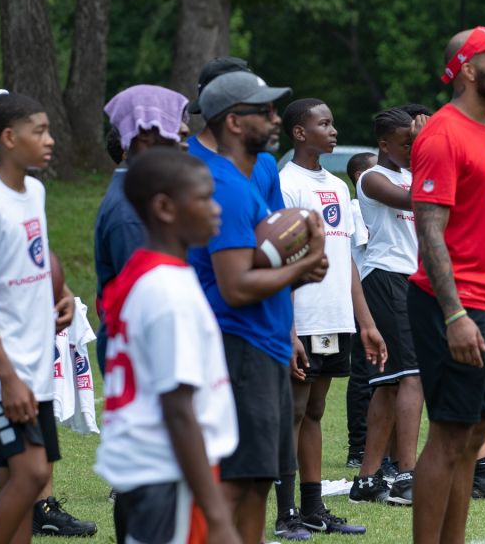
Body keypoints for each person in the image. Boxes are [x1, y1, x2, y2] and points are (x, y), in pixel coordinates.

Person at [187, 71, 328, 544]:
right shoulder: (223, 184)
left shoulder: (246, 175)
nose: (274, 119)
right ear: (232, 121)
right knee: (235, 484)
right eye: (264, 111)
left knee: (255, 481)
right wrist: (304, 264)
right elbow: (234, 285)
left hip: (261, 343)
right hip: (239, 344)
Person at [408, 20, 485, 543]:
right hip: (453, 306)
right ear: (469, 70)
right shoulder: (443, 132)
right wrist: (454, 314)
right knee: (450, 435)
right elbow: (430, 230)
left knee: (476, 433)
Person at [95, 148, 241, 544]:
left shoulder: (148, 272)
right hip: (166, 470)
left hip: (150, 466)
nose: (216, 209)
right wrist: (217, 515)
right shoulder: (168, 291)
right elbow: (178, 408)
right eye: (203, 198)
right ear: (164, 207)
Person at [0, 93, 75, 544]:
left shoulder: (35, 191)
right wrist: (7, 378)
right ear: (8, 138)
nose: (50, 140)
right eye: (39, 131)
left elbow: (37, 255)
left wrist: (60, 293)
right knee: (31, 475)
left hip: (34, 360)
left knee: (16, 479)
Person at [276, 98, 385, 537]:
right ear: (299, 133)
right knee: (295, 410)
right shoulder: (287, 184)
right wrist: (289, 328)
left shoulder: (339, 186)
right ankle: (285, 515)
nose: (333, 130)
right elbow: (278, 259)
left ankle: (314, 507)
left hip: (336, 317)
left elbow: (348, 261)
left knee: (317, 409)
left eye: (333, 122)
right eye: (324, 123)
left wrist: (367, 321)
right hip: (303, 318)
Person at [349, 107, 428, 506]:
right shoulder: (372, 178)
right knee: (413, 377)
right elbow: (416, 201)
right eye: (408, 143)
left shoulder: (414, 174)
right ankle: (406, 475)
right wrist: (438, 159)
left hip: (410, 279)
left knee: (388, 384)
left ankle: (367, 479)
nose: (415, 150)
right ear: (383, 144)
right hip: (385, 277)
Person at [93, 85, 190, 369]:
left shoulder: (143, 194)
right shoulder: (132, 209)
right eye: (178, 130)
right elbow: (143, 304)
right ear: (146, 135)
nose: (185, 138)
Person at [344, 151, 377, 470]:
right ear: (359, 178)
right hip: (363, 296)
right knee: (363, 373)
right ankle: (358, 446)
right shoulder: (356, 209)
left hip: (379, 296)